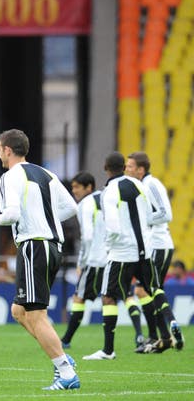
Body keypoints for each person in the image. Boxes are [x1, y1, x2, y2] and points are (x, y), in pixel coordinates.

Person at [0, 129, 79, 391]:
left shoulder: (9, 176)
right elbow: (71, 207)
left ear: (6, 149)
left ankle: (65, 371)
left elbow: (11, 214)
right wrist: (45, 220)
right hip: (51, 246)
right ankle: (62, 356)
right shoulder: (47, 173)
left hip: (33, 246)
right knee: (19, 311)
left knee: (36, 315)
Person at [83, 152, 173, 360]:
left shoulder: (109, 191)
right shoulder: (139, 185)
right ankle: (168, 330)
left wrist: (109, 246)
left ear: (106, 168)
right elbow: (151, 216)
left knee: (108, 296)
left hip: (121, 253)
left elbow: (113, 226)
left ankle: (108, 350)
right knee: (152, 288)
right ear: (124, 167)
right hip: (145, 250)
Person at [125, 151, 184, 351]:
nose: (127, 169)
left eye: (130, 166)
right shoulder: (141, 185)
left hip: (159, 244)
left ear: (141, 169)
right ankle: (164, 337)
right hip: (152, 245)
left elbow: (166, 213)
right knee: (146, 290)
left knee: (147, 289)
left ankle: (166, 329)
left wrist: (142, 221)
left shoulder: (151, 184)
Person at [59, 171, 107, 349]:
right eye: (72, 187)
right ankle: (143, 336)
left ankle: (66, 339)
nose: (74, 191)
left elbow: (86, 237)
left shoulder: (85, 204)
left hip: (94, 259)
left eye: (77, 187)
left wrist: (81, 262)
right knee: (126, 297)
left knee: (79, 297)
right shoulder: (106, 198)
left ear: (89, 187)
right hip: (113, 258)